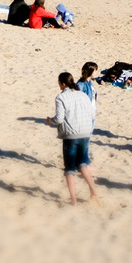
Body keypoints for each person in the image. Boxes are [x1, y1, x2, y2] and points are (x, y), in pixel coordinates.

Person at [45, 71, 98, 206]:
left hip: (71, 135)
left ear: (63, 84)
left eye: (59, 84)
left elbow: (59, 119)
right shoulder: (83, 95)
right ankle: (93, 190)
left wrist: (49, 121)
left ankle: (73, 199)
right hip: (86, 132)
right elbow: (92, 114)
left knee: (69, 168)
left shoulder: (61, 98)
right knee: (82, 164)